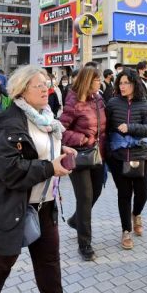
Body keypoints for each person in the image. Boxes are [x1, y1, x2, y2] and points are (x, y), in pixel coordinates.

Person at [0, 66, 75, 293]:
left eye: (46, 83)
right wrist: (50, 167)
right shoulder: (9, 123)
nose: (45, 89)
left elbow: (38, 150)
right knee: (2, 261)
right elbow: (8, 168)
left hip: (45, 205)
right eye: (38, 85)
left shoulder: (47, 118)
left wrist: (60, 152)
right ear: (21, 91)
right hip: (13, 206)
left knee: (49, 265)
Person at [59, 67, 107, 261]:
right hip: (78, 156)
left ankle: (75, 219)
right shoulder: (73, 100)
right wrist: (81, 139)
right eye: (97, 80)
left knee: (96, 192)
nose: (100, 83)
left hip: (97, 155)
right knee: (85, 198)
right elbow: (60, 130)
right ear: (88, 81)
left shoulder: (98, 99)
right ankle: (84, 243)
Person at [106, 69, 147, 251]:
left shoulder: (144, 104)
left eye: (126, 83)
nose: (123, 86)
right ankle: (126, 230)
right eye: (120, 83)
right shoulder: (112, 103)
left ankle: (137, 214)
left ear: (135, 84)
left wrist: (130, 128)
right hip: (118, 156)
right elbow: (107, 128)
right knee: (124, 194)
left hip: (140, 154)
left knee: (142, 191)